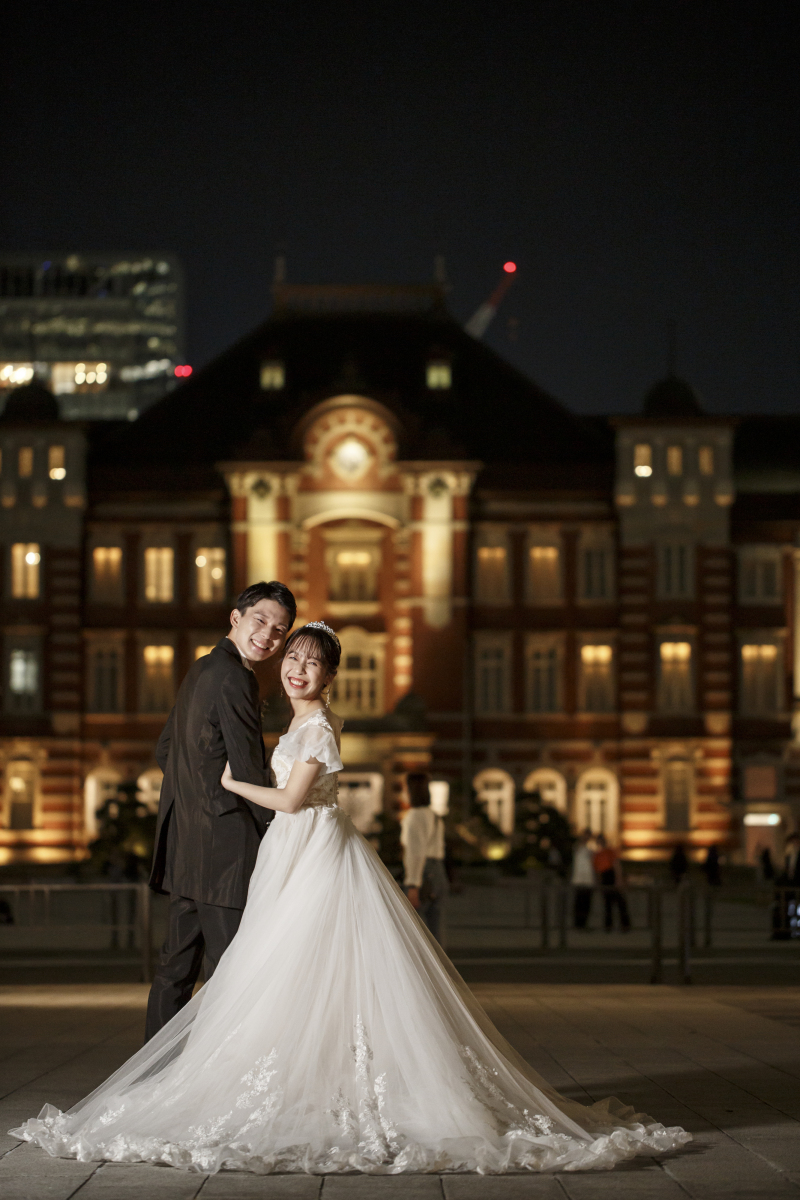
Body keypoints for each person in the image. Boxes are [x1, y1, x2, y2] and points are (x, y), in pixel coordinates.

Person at [12, 622, 691, 1175]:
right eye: (292, 657)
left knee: (295, 964)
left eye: (312, 663)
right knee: (292, 970)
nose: (297, 669)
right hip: (293, 852)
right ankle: (304, 1079)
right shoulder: (297, 726)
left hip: (313, 852)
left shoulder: (318, 731)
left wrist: (227, 781)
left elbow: (289, 798)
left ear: (330, 677)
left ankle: (323, 1085)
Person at [144, 580, 296, 1041]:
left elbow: (164, 749)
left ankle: (151, 1080)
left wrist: (196, 793)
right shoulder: (236, 677)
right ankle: (213, 1084)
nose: (268, 636)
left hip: (185, 844)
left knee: (175, 968)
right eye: (261, 621)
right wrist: (279, 830)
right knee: (230, 971)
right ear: (236, 618)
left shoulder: (201, 668)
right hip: (225, 848)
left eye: (279, 630)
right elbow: (249, 768)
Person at [401, 772, 448, 943]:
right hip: (437, 871)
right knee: (435, 932)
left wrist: (413, 884)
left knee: (414, 933)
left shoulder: (414, 816)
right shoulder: (434, 816)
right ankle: (440, 969)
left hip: (422, 873)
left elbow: (416, 852)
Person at [593, 834, 630, 933]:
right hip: (604, 878)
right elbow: (597, 871)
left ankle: (625, 925)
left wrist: (619, 879)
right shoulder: (596, 855)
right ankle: (608, 926)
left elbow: (616, 865)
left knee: (620, 903)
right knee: (607, 904)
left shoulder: (609, 851)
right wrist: (598, 883)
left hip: (611, 876)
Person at [773, 831, 800, 940]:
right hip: (789, 887)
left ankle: (795, 932)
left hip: (796, 886)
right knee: (784, 908)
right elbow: (786, 872)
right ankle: (784, 933)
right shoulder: (789, 855)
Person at [570, 830, 595, 930]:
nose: (586, 838)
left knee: (586, 904)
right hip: (579, 880)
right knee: (579, 903)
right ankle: (578, 924)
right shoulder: (578, 848)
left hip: (588, 881)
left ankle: (583, 924)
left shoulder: (589, 849)